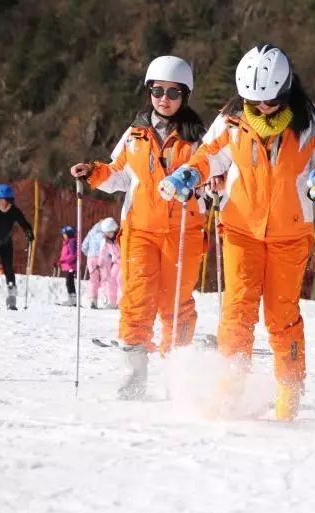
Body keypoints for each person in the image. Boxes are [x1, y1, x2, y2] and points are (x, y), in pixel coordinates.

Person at [161, 44, 315, 421]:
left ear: (287, 90)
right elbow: (208, 155)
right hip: (241, 227)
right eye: (254, 101)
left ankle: (288, 393)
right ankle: (231, 388)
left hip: (290, 232)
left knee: (282, 315)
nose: (261, 109)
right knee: (237, 310)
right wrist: (188, 174)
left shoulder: (309, 120)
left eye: (270, 102)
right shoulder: (231, 120)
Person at [69, 56, 208, 399]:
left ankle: (179, 378)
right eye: (157, 90)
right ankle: (134, 379)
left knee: (175, 304)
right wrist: (94, 172)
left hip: (183, 233)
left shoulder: (198, 137)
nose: (164, 98)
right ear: (149, 92)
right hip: (141, 231)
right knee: (136, 301)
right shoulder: (135, 133)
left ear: (184, 96)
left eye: (173, 92)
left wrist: (202, 186)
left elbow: (213, 174)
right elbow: (118, 173)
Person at [82, 217, 121, 309]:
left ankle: (95, 300)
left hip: (92, 258)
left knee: (96, 280)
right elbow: (102, 251)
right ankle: (110, 300)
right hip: (109, 260)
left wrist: (89, 254)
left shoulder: (91, 232)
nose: (106, 234)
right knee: (108, 279)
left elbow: (84, 246)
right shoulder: (106, 237)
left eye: (108, 232)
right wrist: (99, 261)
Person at [56, 225, 78, 306]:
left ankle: (72, 301)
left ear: (69, 234)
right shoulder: (68, 242)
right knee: (69, 282)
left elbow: (73, 254)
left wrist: (63, 261)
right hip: (69, 265)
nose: (63, 235)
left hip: (71, 266)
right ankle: (72, 300)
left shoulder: (72, 242)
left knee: (69, 282)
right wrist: (61, 261)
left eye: (64, 234)